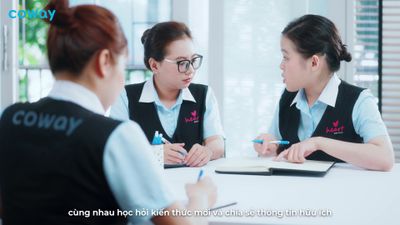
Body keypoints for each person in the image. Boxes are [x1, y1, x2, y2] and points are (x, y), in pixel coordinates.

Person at [0, 1, 216, 225]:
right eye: (122, 66)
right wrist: (200, 199)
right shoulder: (114, 136)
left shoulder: (10, 119)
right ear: (104, 62)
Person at [253, 14, 394, 171]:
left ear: (314, 62)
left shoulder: (358, 101)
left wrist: (318, 143)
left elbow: (385, 158)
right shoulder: (287, 99)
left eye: (286, 57)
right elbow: (276, 144)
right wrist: (269, 146)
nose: (281, 65)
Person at [110, 22, 225, 167]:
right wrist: (153, 153)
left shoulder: (203, 94)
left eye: (193, 60)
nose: (190, 70)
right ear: (155, 65)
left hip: (192, 184)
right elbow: (115, 149)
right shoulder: (126, 97)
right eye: (181, 62)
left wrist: (207, 151)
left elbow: (217, 143)